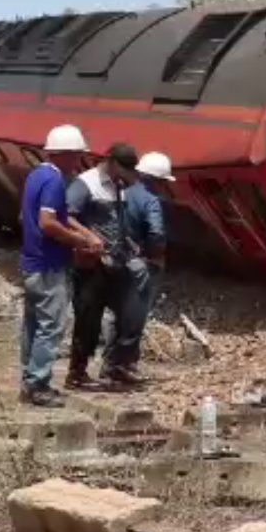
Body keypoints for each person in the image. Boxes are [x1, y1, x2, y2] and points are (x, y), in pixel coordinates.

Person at [19, 124, 102, 408]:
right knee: (50, 326)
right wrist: (78, 242)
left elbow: (41, 217)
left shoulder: (36, 176)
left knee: (32, 325)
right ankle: (38, 384)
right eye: (77, 155)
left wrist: (84, 234)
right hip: (48, 265)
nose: (78, 161)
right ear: (64, 154)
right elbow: (48, 223)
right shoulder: (55, 182)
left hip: (31, 262)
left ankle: (29, 380)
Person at [65, 142, 147, 391]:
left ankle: (117, 366)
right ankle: (77, 372)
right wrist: (88, 237)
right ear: (110, 162)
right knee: (88, 317)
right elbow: (66, 216)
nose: (125, 175)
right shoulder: (86, 183)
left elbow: (116, 221)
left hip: (117, 261)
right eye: (123, 169)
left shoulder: (118, 186)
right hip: (92, 262)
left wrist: (128, 241)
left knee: (129, 314)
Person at [107, 151, 173, 378]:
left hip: (120, 261)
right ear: (158, 180)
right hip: (143, 264)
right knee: (136, 314)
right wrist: (155, 254)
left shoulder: (122, 194)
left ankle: (110, 363)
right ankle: (125, 364)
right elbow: (156, 232)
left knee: (119, 313)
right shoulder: (151, 200)